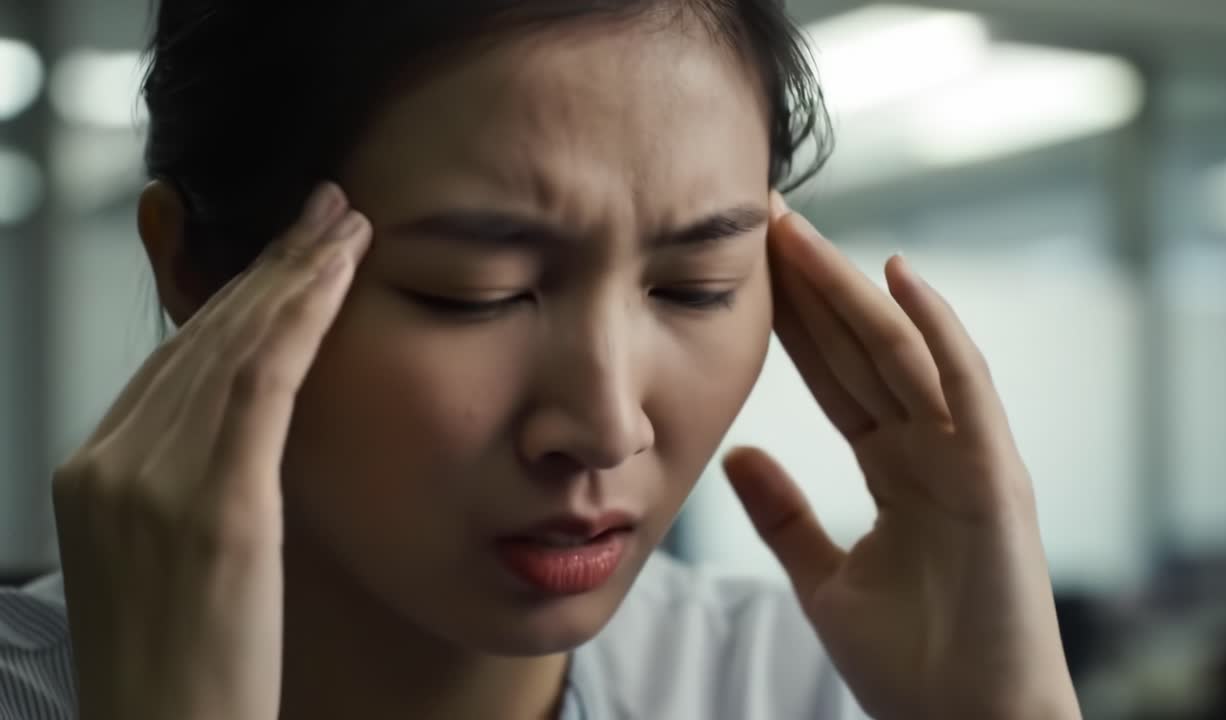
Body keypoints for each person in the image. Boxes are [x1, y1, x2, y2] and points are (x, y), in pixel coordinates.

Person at [0, 1, 1082, 718]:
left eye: (694, 288)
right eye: (473, 293)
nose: (609, 424)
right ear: (194, 267)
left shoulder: (791, 687)